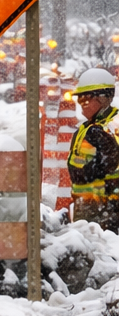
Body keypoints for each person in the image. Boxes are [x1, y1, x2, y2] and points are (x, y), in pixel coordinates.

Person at [68, 68, 119, 231]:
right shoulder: (86, 129)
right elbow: (78, 170)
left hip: (108, 211)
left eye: (86, 99)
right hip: (86, 208)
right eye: (80, 99)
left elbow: (105, 168)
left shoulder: (112, 127)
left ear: (103, 98)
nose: (81, 104)